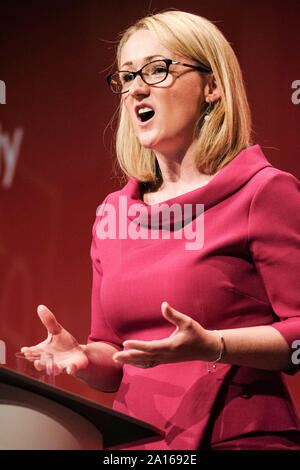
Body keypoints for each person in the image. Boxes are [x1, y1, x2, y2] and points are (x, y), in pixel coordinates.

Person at [21, 10, 300, 450]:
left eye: (157, 69)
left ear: (213, 86)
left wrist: (214, 346)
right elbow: (112, 358)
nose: (136, 88)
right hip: (137, 445)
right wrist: (82, 357)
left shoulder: (264, 192)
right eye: (127, 76)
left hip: (238, 436)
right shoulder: (114, 213)